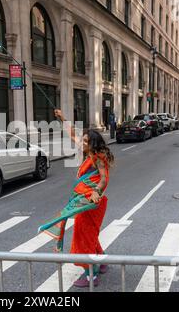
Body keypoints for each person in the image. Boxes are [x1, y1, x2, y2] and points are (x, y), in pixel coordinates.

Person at [39, 109, 115, 288]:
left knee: (83, 236)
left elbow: (103, 179)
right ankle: (101, 262)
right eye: (84, 140)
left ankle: (91, 274)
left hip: (92, 203)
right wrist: (62, 118)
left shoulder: (98, 157)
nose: (83, 143)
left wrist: (96, 191)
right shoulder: (89, 152)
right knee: (89, 234)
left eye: (86, 141)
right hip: (85, 201)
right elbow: (73, 135)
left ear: (93, 144)